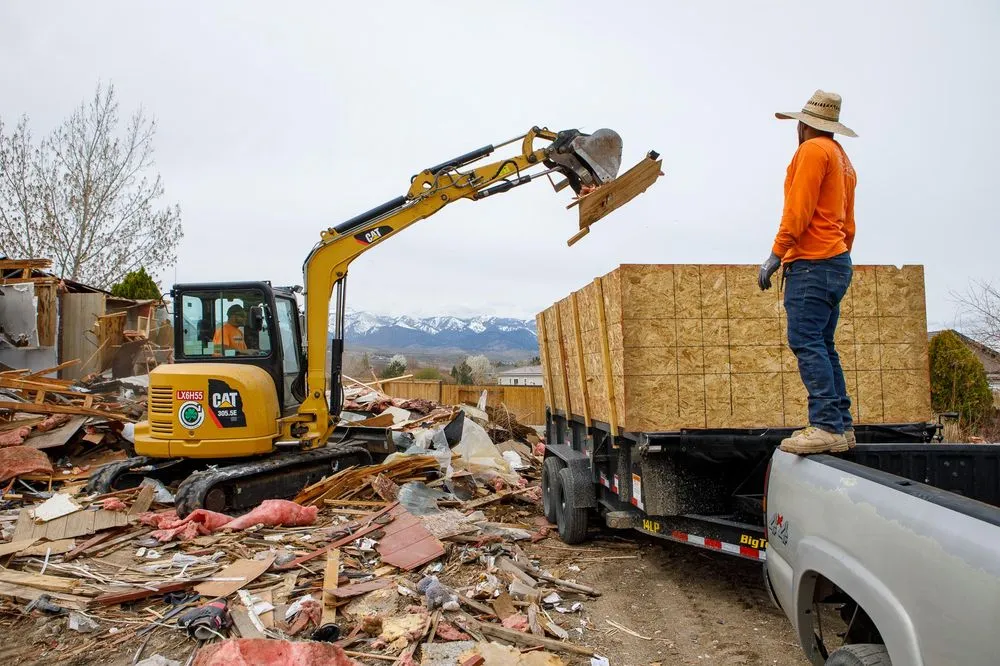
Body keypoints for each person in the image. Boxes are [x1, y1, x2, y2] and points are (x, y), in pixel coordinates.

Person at [758, 90, 858, 455]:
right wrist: (837, 257)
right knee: (823, 344)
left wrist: (776, 253)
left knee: (806, 340)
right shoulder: (842, 158)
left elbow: (798, 210)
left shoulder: (812, 151)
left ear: (803, 125)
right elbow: (848, 223)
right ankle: (842, 426)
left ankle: (827, 426)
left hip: (813, 263)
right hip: (836, 261)